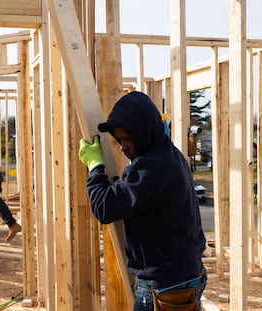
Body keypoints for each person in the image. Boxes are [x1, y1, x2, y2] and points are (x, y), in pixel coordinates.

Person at [78, 91, 207, 311]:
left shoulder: (151, 166)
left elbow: (103, 208)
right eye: (118, 139)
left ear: (143, 132)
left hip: (166, 286)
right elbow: (141, 196)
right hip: (185, 275)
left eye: (127, 138)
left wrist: (95, 168)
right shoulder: (169, 154)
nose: (122, 146)